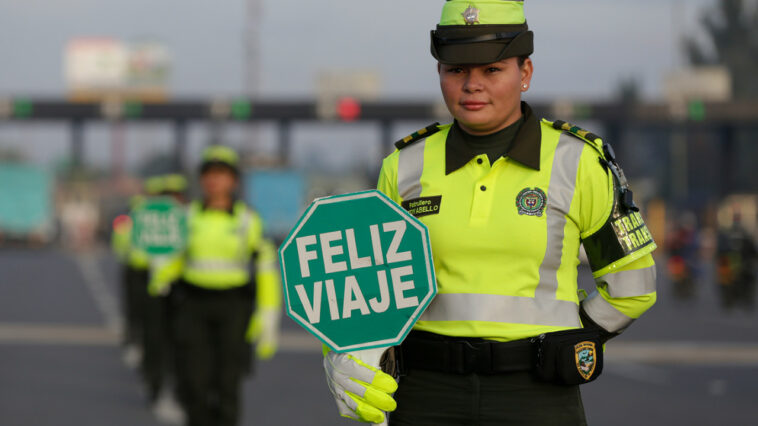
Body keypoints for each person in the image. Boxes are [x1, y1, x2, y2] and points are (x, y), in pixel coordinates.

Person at [323, 1, 658, 424]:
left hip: (537, 394)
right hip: (425, 393)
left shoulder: (578, 163)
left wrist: (575, 342)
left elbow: (634, 286)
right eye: (456, 70)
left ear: (526, 74)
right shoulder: (403, 166)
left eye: (492, 70)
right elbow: (367, 286)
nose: (472, 85)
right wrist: (344, 352)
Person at [150, 146, 282, 426]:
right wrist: (161, 275)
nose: (214, 181)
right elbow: (175, 257)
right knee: (192, 382)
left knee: (227, 383)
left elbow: (266, 269)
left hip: (233, 306)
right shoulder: (187, 216)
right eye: (208, 174)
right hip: (193, 304)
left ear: (233, 180)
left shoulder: (247, 219)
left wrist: (268, 314)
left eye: (221, 174)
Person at [142, 173, 188, 422]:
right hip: (154, 286)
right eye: (167, 195)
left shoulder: (191, 217)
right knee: (155, 338)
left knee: (182, 342)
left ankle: (182, 388)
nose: (172, 200)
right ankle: (155, 383)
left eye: (176, 195)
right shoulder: (149, 218)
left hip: (184, 287)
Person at [111, 176, 163, 368]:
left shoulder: (136, 210)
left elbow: (121, 236)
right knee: (140, 309)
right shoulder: (156, 212)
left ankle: (134, 337)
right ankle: (136, 337)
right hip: (144, 268)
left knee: (136, 308)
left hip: (138, 267)